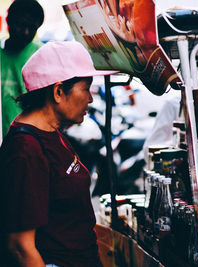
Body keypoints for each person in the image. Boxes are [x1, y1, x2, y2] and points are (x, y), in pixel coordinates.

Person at [0, 41, 118, 267]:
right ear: (58, 91)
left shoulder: (52, 132)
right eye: (86, 89)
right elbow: (20, 247)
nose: (90, 99)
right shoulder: (26, 150)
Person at [1, 0, 44, 138]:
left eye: (32, 28)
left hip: (26, 141)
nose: (26, 32)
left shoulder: (42, 55)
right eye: (21, 25)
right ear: (8, 21)